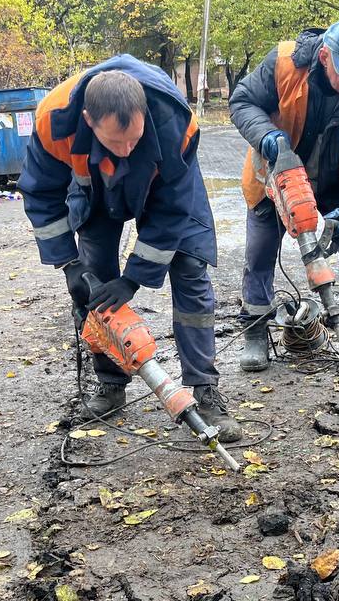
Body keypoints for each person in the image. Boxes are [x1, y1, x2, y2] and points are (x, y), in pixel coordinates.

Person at [18, 55, 240, 442]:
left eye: (133, 140)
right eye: (115, 141)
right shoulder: (53, 122)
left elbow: (173, 210)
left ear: (144, 116)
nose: (125, 150)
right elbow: (41, 194)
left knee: (190, 268)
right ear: (88, 121)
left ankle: (204, 390)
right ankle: (110, 382)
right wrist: (68, 263)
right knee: (94, 281)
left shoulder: (175, 124)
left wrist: (134, 279)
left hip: (165, 184)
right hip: (95, 188)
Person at [230, 20, 339, 372]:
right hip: (275, 175)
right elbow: (242, 101)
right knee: (260, 252)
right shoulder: (284, 64)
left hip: (337, 185)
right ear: (325, 57)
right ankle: (255, 335)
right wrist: (267, 136)